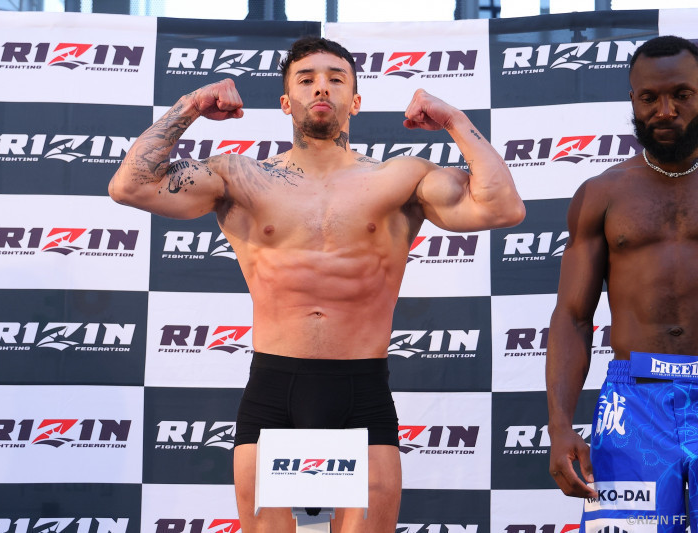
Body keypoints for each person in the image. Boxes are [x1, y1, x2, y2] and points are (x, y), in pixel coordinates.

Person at [110, 36, 524, 533]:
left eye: (335, 79)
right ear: (286, 102)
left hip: (362, 392)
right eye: (306, 80)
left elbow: (502, 207)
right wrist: (191, 106)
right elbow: (130, 185)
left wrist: (453, 119)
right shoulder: (241, 176)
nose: (321, 88)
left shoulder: (401, 178)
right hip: (274, 391)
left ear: (356, 100)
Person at [546, 35, 698, 530]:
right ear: (632, 100)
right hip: (634, 403)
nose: (665, 110)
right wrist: (560, 424)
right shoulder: (602, 194)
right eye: (649, 97)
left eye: (682, 94)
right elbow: (573, 316)